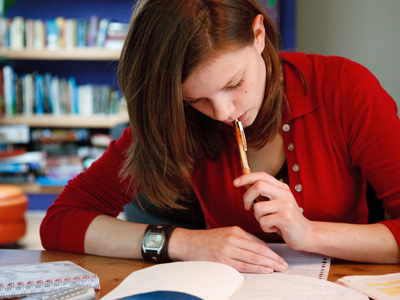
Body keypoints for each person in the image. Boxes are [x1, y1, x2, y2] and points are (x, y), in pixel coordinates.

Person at [40, 0, 400, 274]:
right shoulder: (175, 117)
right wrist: (181, 242)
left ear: (259, 36)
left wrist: (309, 234)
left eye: (234, 84)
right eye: (197, 99)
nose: (224, 113)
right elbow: (61, 221)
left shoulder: (345, 89)